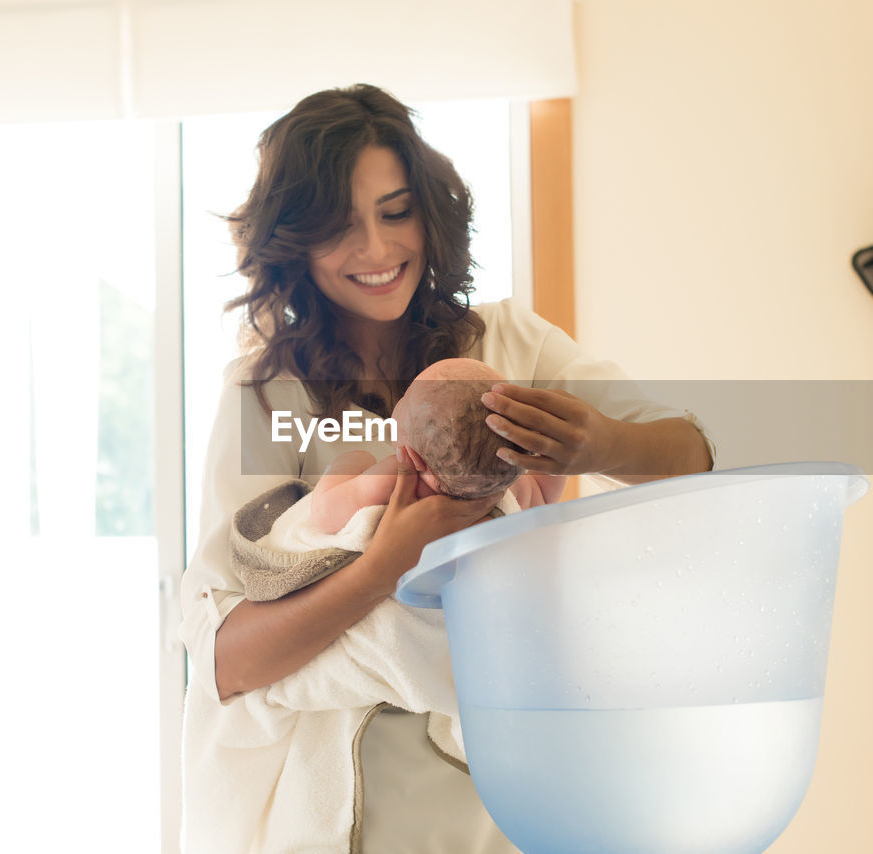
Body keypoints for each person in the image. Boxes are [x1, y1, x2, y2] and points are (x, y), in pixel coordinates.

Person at [178, 83, 715, 853]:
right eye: (339, 227)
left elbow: (694, 461)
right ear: (294, 242)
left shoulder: (510, 344)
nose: (376, 250)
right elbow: (228, 659)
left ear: (430, 210)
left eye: (395, 212)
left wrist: (599, 444)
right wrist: (380, 568)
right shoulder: (266, 392)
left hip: (508, 787)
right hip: (345, 814)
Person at [310, 357, 567, 535]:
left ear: (413, 458)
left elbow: (323, 514)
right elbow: (544, 496)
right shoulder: (513, 488)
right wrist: (551, 440)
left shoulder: (392, 480)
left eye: (407, 395)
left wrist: (350, 462)